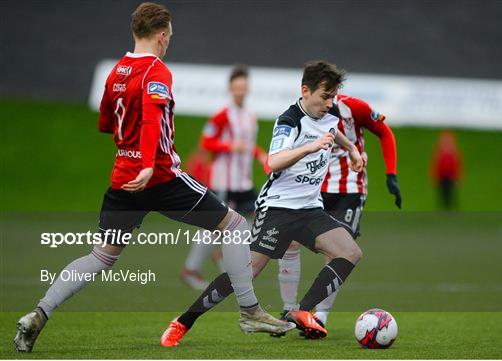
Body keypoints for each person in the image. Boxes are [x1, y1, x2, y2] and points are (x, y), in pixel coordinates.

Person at [13, 2, 293, 353]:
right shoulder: (157, 72)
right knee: (236, 226)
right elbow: (150, 117)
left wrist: (131, 151)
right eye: (170, 35)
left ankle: (39, 313)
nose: (169, 41)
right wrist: (147, 163)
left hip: (122, 182)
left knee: (100, 256)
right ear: (162, 35)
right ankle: (250, 311)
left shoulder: (117, 71)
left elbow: (105, 123)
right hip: (159, 177)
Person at [158, 60, 367, 347]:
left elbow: (334, 132)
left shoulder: (328, 114)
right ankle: (183, 322)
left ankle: (301, 311)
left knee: (350, 252)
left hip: (310, 210)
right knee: (243, 273)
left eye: (333, 96)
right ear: (305, 90)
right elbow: (273, 161)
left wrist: (353, 150)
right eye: (325, 96)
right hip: (278, 211)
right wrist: (308, 147)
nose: (330, 103)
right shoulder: (288, 121)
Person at [273, 93, 400, 336]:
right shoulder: (303, 112)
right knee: (290, 243)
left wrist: (391, 173)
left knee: (339, 252)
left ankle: (319, 317)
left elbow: (385, 132)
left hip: (349, 190)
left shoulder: (355, 107)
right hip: (315, 189)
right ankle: (289, 314)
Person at [180, 66, 268, 290]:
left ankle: (223, 256)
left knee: (252, 221)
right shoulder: (222, 116)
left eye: (244, 87)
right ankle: (191, 269)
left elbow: (247, 145)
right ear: (230, 88)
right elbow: (206, 142)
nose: (240, 91)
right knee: (214, 226)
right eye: (237, 87)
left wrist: (260, 155)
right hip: (224, 183)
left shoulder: (249, 115)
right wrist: (229, 145)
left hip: (243, 182)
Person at [431, 129, 462, 210]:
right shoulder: (440, 154)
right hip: (442, 178)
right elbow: (436, 165)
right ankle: (444, 208)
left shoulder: (453, 154)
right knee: (442, 194)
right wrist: (435, 176)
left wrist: (457, 177)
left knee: (451, 194)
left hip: (450, 177)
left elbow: (457, 166)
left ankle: (451, 208)